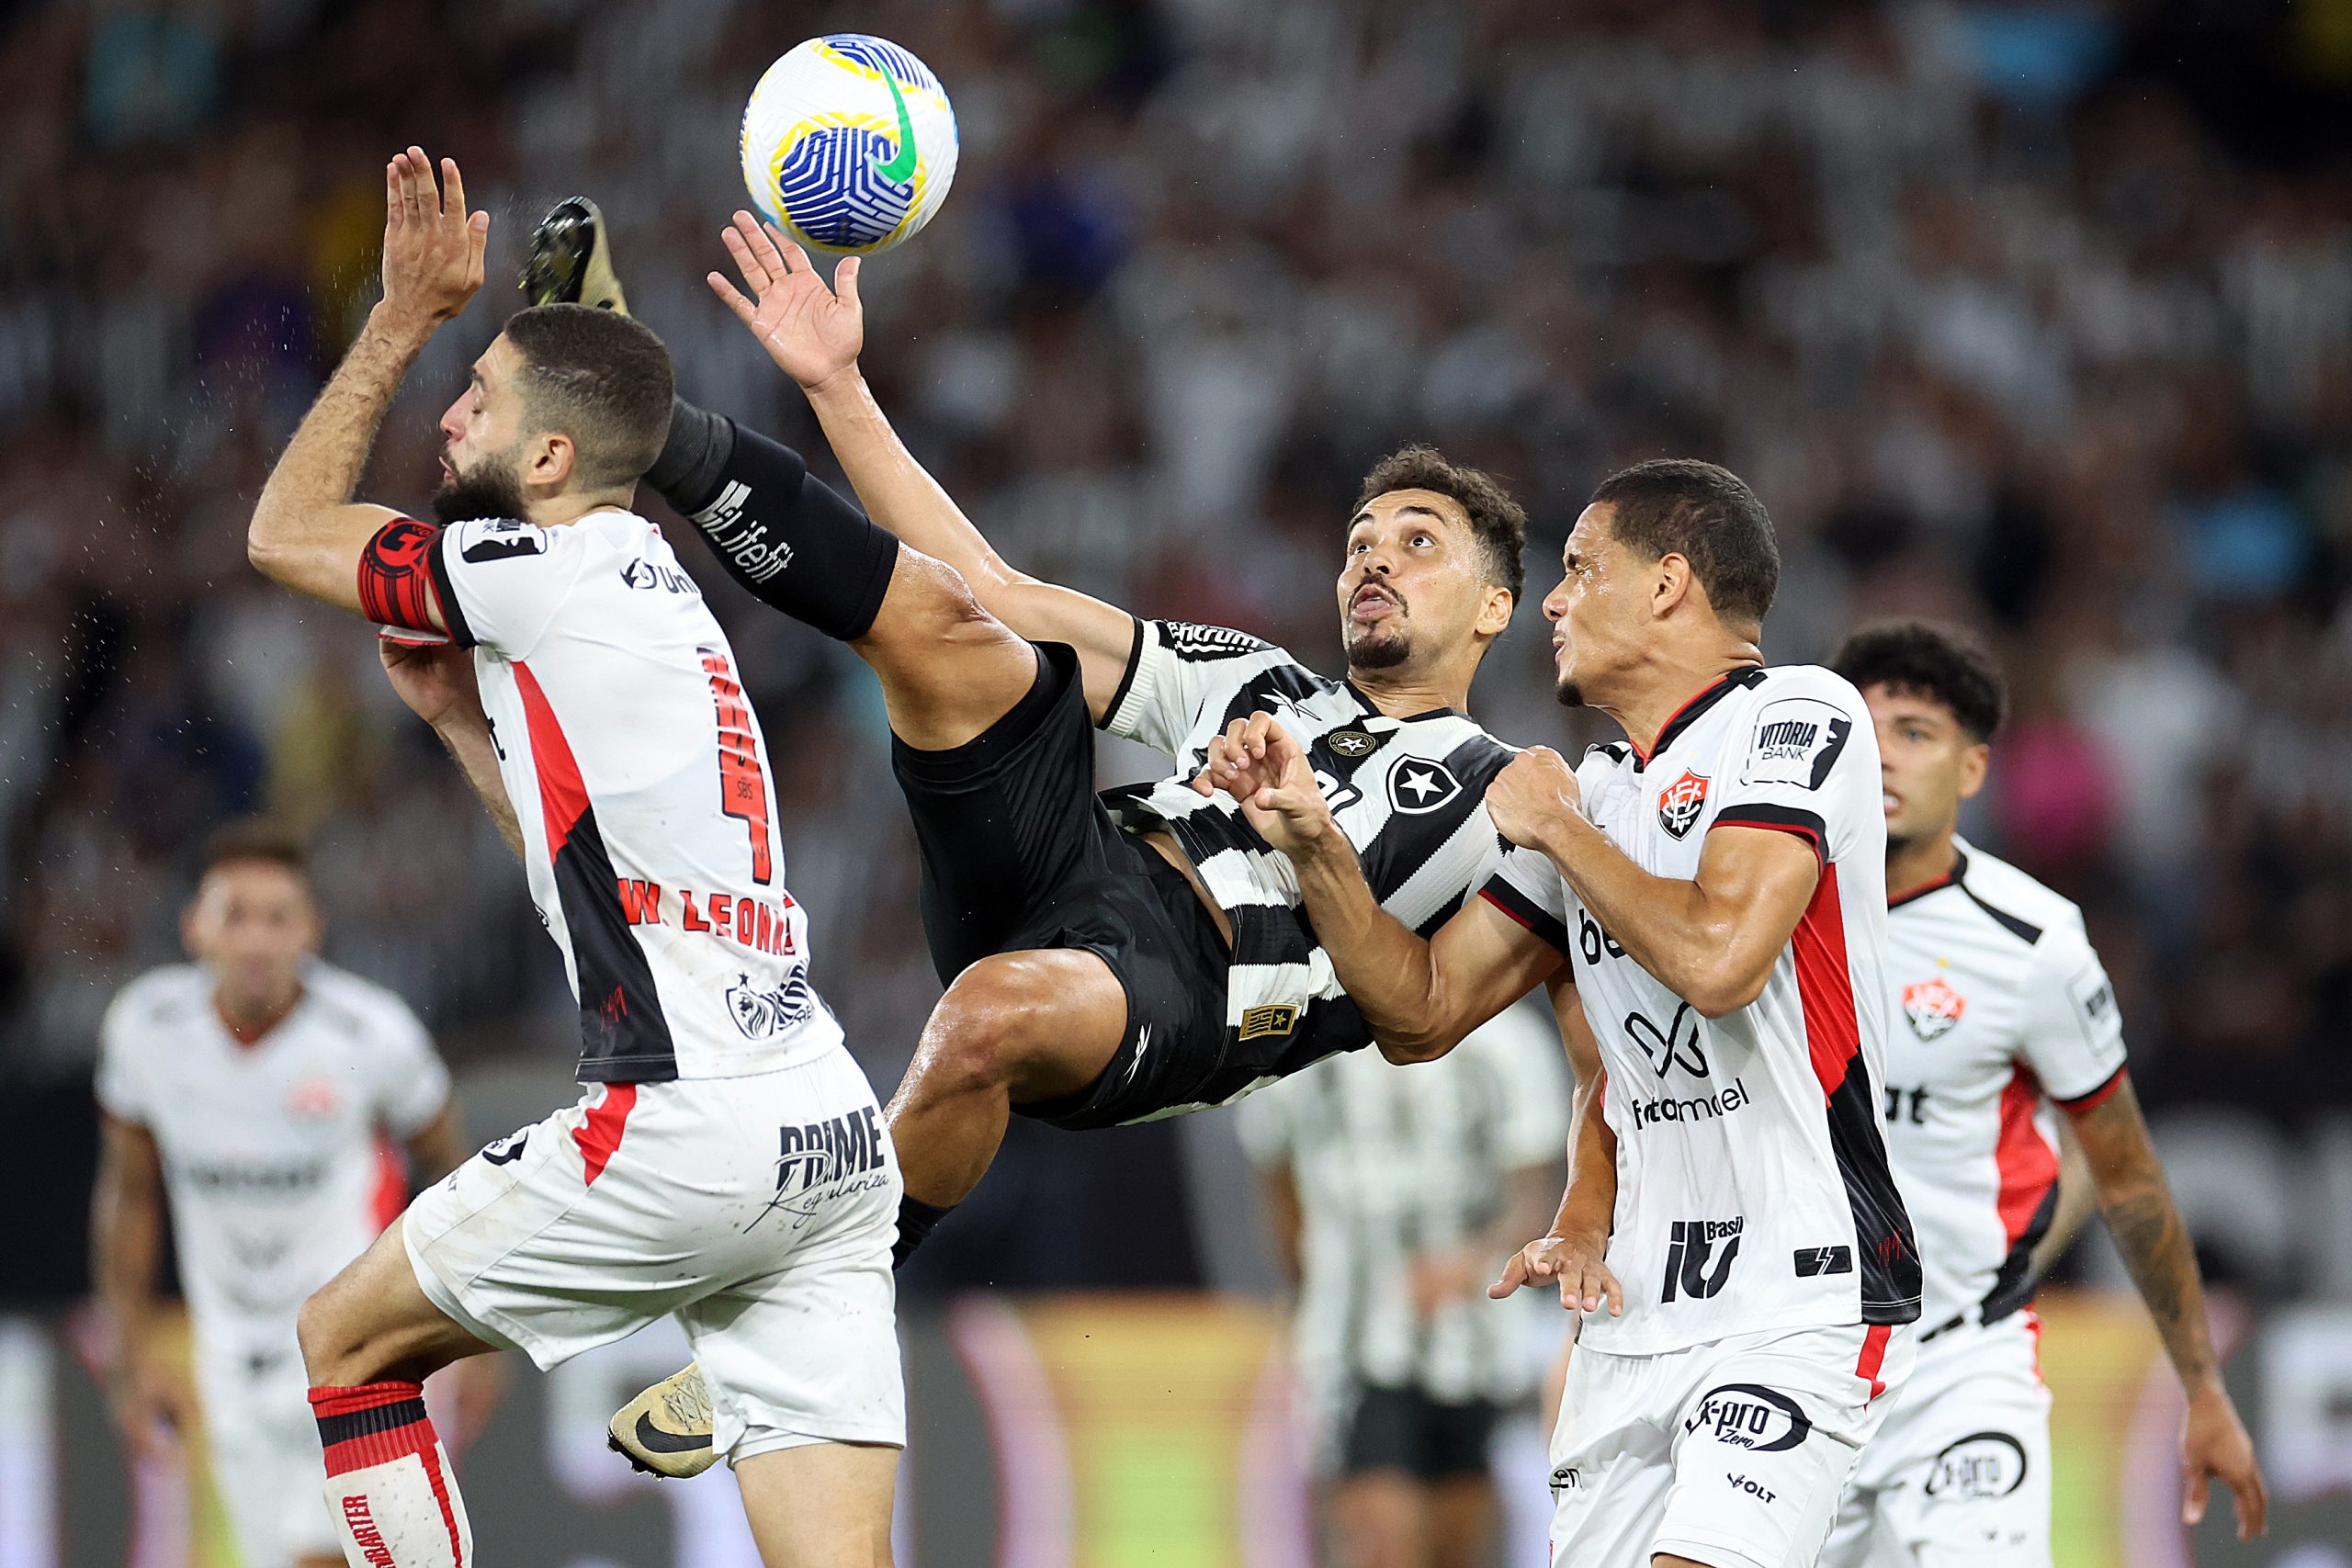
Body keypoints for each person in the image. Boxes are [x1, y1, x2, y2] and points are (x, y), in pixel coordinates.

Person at [521, 206, 1543, 1473]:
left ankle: (806, 1313)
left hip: (1196, 986)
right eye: (1359, 542)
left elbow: (1428, 1011)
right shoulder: (1257, 675)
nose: (1372, 561)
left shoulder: (1513, 793)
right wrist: (839, 387)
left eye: (1416, 543)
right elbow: (998, 590)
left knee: (992, 1016)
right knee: (949, 629)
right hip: (1070, 857)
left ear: (1496, 604)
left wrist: (1309, 829)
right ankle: (648, 425)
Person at [244, 149, 901, 1567]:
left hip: (685, 1122)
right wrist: (462, 732)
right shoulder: (648, 588)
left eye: (475, 396)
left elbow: (284, 530)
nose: (449, 413)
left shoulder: (538, 570)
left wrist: (402, 313)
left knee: (346, 1342)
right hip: (831, 1132)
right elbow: (597, 892)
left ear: (550, 461)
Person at [1199, 459, 1920, 1568]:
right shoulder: (1588, 792)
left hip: (1800, 1286)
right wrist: (1313, 845)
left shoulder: (1794, 714)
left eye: (1582, 569)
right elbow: (1422, 1012)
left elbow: (1720, 961)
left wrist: (1563, 832)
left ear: (1670, 584)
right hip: (1628, 1315)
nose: (1553, 599)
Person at [1815, 619, 2267, 1562]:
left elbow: (2126, 1173)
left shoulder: (2033, 942)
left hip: (1958, 1366)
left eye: (1917, 733)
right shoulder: (1765, 912)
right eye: (1865, 732)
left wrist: (2204, 1388)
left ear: (1972, 769)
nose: (1886, 758)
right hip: (1792, 1365)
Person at [91, 820, 465, 1568]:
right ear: (195, 926)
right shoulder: (146, 1030)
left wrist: (473, 1340)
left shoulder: (370, 1036)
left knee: (332, 1557)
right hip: (230, 1356)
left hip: (357, 1345)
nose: (257, 940)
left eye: (278, 917)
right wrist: (130, 1352)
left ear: (311, 930)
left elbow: (455, 1175)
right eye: (236, 916)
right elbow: (130, 1194)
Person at [1238, 998, 1569, 1568]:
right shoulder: (1299, 1043)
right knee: (1383, 1541)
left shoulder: (1505, 1043)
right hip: (1356, 1346)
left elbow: (1534, 1196)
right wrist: (1312, 1292)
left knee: (1456, 1547)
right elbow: (1276, 1181)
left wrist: (1472, 1262)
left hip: (1478, 1346)